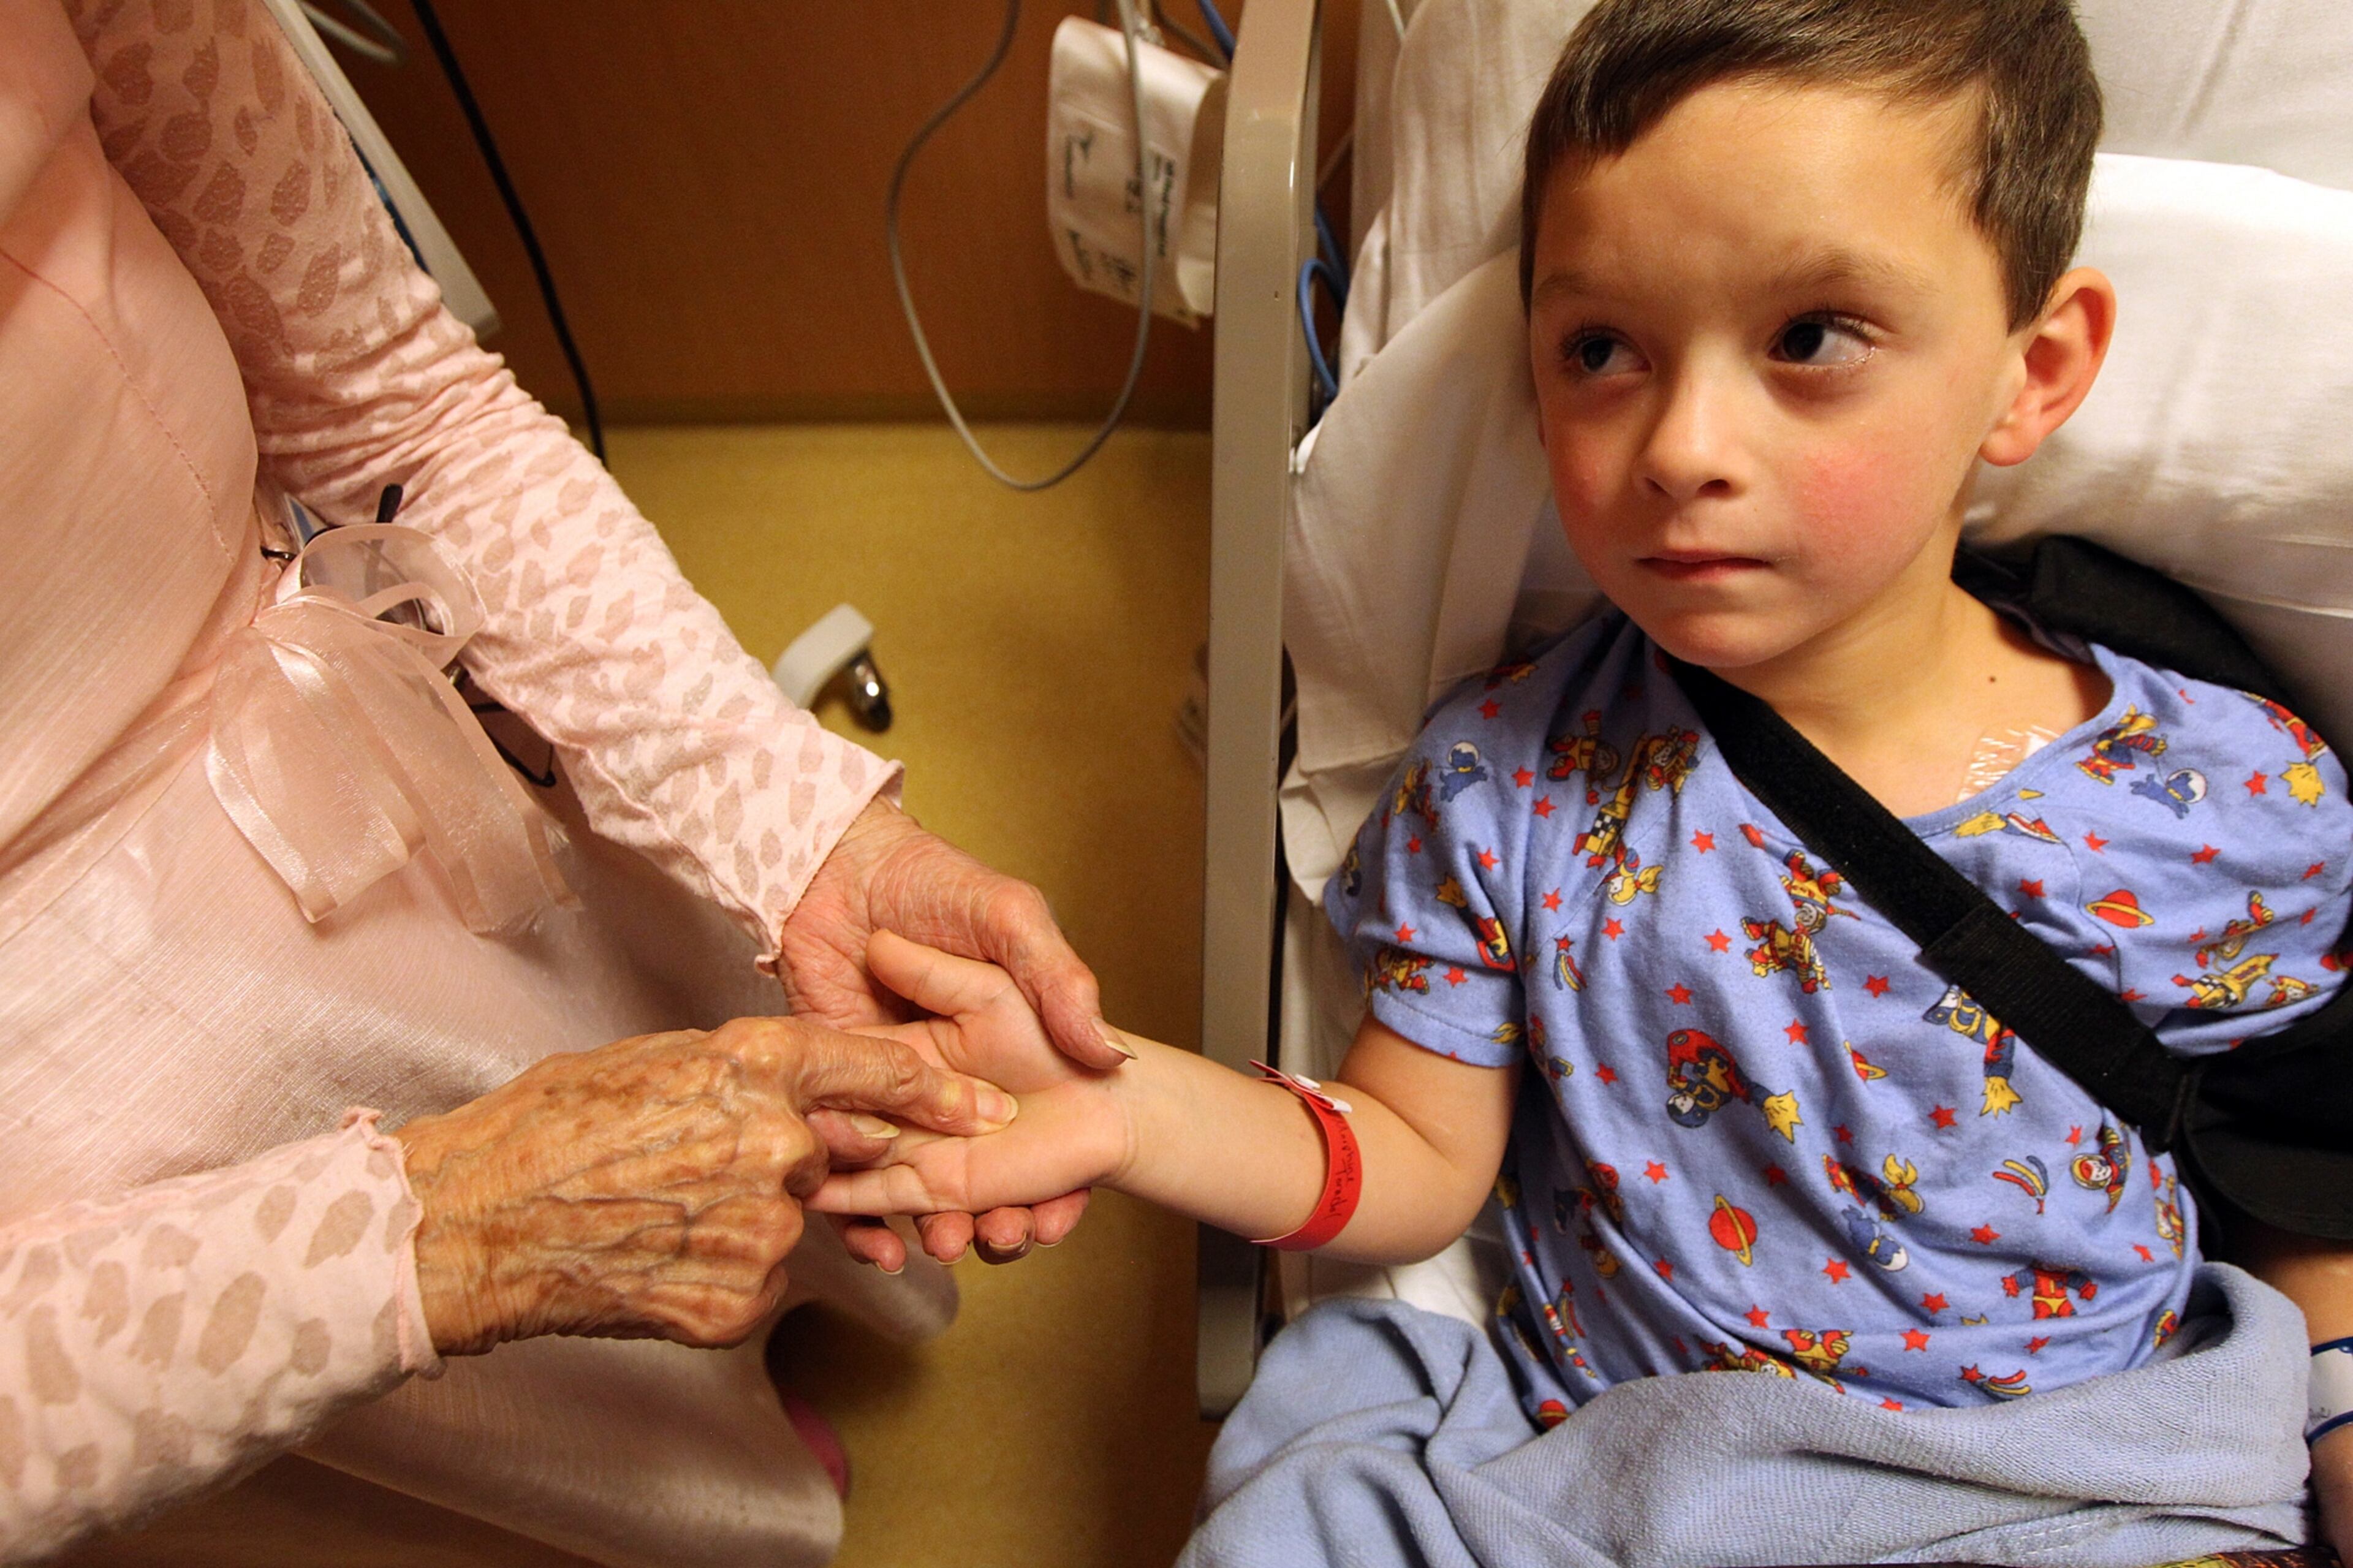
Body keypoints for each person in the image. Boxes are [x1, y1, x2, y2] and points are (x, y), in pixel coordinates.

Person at [813, 1, 2353, 1562]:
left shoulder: (2222, 797)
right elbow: (1411, 1156)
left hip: (2087, 1487)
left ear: (2034, 371)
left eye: (1811, 336)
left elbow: (2299, 1166)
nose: (1681, 444)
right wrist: (1116, 1100)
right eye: (1601, 349)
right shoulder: (1506, 788)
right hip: (1638, 1486)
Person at [0, 0, 1115, 1561]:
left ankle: (725, 1383)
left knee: (682, 1107)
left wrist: (800, 831)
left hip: (366, 747)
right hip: (90, 1177)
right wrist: (447, 1232)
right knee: (486, 1458)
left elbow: (399, 404)